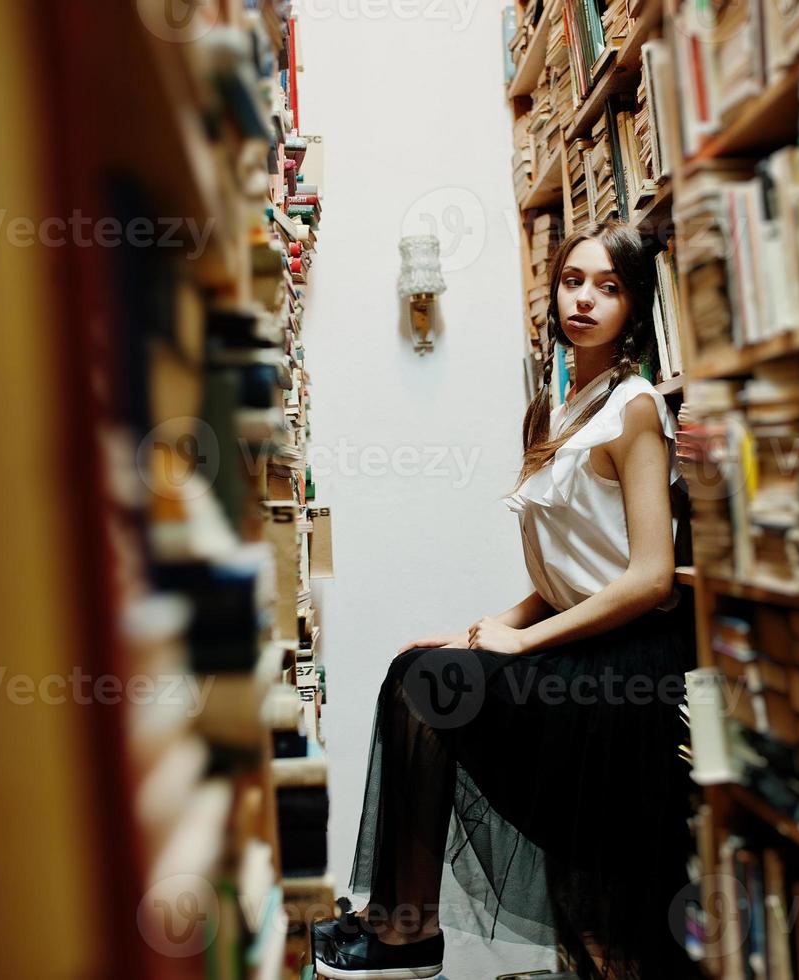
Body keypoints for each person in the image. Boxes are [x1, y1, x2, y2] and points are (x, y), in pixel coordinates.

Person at [312, 218, 702, 980]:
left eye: (608, 287)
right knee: (415, 671)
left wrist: (522, 643)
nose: (584, 300)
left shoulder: (634, 408)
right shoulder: (557, 410)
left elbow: (648, 576)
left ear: (634, 304)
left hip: (626, 663)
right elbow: (577, 558)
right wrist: (503, 620)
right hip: (574, 638)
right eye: (571, 281)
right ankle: (397, 926)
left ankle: (404, 935)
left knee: (426, 690)